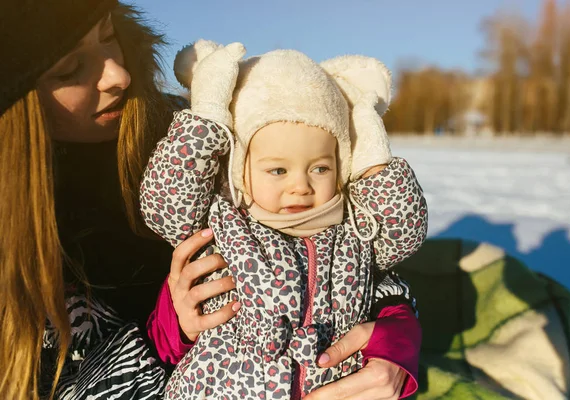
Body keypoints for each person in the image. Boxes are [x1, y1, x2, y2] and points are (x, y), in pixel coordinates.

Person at [0, 1, 423, 399]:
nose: (118, 75)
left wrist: (394, 334)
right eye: (71, 67)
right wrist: (167, 332)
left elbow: (343, 240)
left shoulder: (198, 138)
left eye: (110, 35)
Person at [141, 40, 427, 398]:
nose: (300, 186)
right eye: (277, 169)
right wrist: (209, 114)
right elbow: (165, 202)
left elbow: (403, 233)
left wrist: (373, 156)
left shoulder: (354, 230)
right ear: (241, 170)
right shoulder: (222, 223)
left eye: (320, 167)